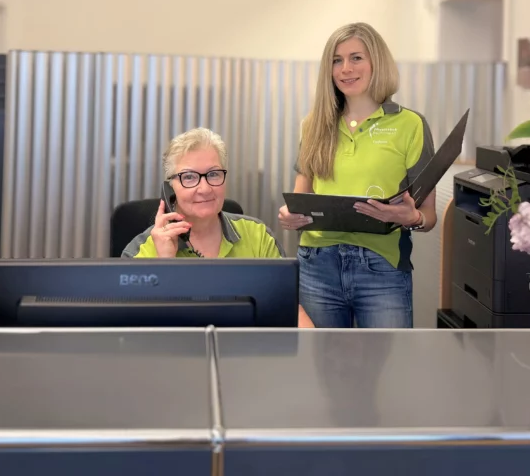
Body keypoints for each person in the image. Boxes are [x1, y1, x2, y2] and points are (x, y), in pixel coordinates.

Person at [278, 22, 437, 328]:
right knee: (319, 358)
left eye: (356, 58)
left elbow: (428, 216)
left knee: (388, 360)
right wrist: (290, 215)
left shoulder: (411, 125)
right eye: (336, 60)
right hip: (317, 264)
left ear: (377, 62)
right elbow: (300, 198)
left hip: (382, 267)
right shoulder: (314, 124)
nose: (345, 69)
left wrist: (412, 218)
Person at [123, 127, 314, 328]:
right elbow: (133, 328)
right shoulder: (143, 249)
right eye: (189, 177)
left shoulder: (257, 236)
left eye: (213, 174)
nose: (205, 189)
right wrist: (164, 264)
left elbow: (290, 309)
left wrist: (314, 346)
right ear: (170, 187)